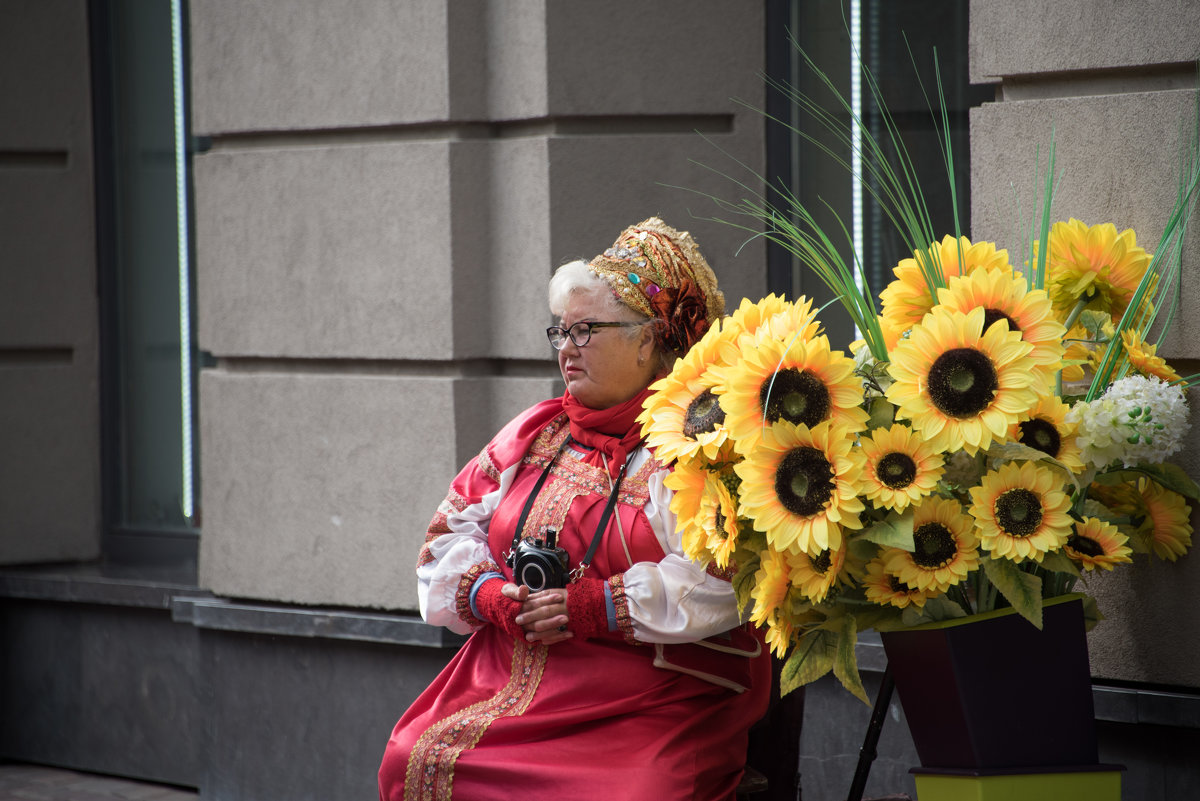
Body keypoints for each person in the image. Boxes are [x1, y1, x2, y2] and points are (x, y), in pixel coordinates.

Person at [378, 217, 770, 801]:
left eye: (585, 331)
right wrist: (490, 595)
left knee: (636, 792)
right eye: (560, 332)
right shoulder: (537, 432)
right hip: (512, 673)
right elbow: (444, 537)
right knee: (415, 756)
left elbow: (728, 576)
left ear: (650, 337)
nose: (566, 349)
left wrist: (597, 606)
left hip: (653, 696)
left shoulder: (698, 446)